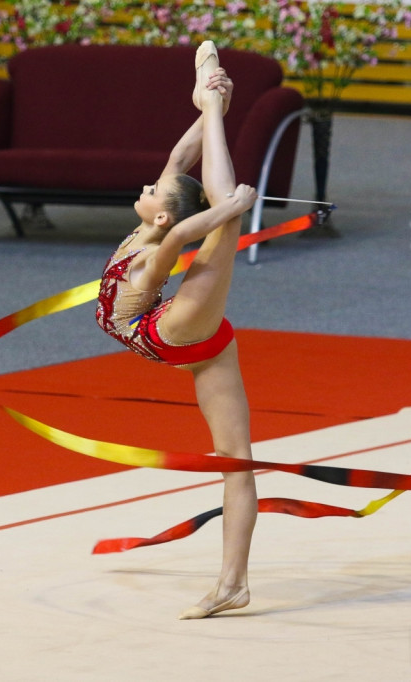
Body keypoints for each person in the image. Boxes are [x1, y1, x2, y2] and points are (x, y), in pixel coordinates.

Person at [94, 41, 259, 620]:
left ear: (161, 215)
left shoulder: (151, 254)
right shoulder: (152, 223)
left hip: (169, 332)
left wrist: (233, 206)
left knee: (235, 459)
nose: (146, 187)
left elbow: (188, 233)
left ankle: (232, 583)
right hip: (195, 342)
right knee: (235, 455)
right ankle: (212, 100)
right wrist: (212, 106)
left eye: (152, 193)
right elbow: (177, 162)